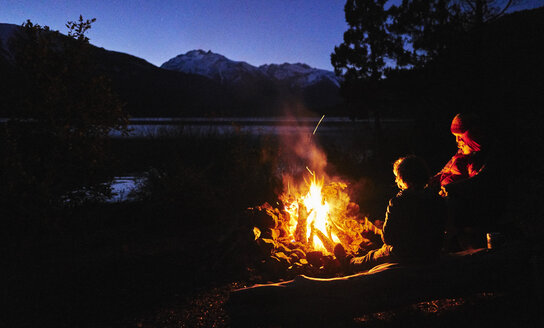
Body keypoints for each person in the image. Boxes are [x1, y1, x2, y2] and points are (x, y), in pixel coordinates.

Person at [336, 155, 446, 273]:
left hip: (407, 255)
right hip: (432, 251)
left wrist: (381, 230)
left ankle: (348, 263)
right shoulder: (437, 198)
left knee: (371, 257)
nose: (395, 180)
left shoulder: (399, 201)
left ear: (403, 178)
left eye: (397, 177)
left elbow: (388, 239)